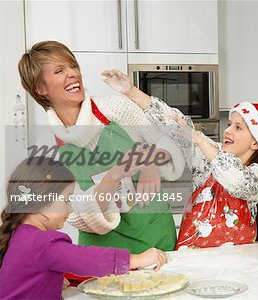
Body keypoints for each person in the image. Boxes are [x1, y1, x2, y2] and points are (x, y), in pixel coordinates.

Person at [18, 41, 186, 252]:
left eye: (73, 66)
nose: (73, 74)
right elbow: (76, 214)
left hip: (157, 237)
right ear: (40, 88)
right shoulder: (47, 149)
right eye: (60, 70)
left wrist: (149, 159)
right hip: (103, 253)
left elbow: (166, 142)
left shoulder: (116, 107)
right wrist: (114, 176)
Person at [102, 70, 258, 248]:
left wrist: (197, 137)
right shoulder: (207, 156)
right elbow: (172, 120)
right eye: (230, 124)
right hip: (193, 254)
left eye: (238, 128)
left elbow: (237, 181)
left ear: (255, 142)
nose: (228, 130)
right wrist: (130, 90)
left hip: (237, 257)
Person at [0, 157, 168, 299]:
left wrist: (51, 278)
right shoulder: (42, 243)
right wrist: (137, 259)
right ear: (41, 203)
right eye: (66, 200)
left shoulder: (20, 235)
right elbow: (86, 259)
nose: (71, 208)